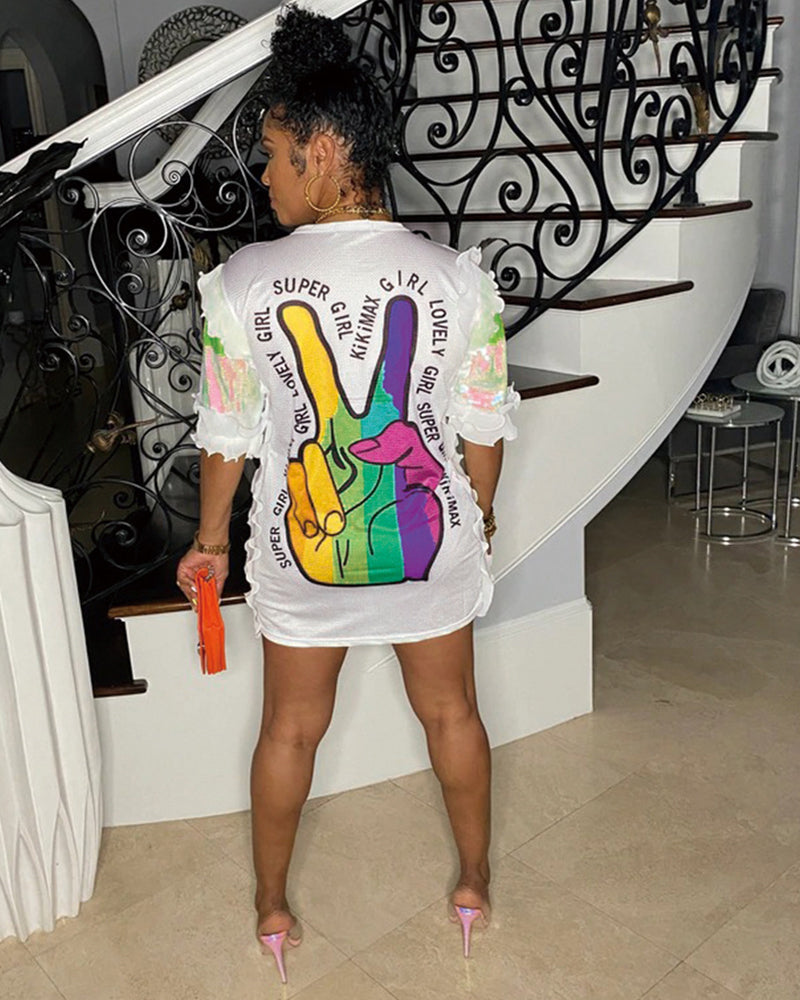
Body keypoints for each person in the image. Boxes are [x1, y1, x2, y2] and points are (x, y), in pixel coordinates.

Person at [176, 4, 518, 984]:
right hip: (429, 543)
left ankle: (271, 908)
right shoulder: (459, 278)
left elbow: (227, 436)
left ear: (324, 153)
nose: (266, 178)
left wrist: (209, 541)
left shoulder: (242, 282)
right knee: (452, 715)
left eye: (274, 156)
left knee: (288, 730)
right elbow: (484, 423)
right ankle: (473, 884)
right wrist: (478, 515)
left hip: (302, 554)